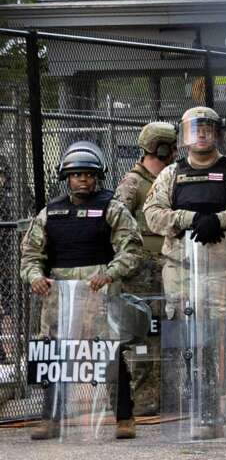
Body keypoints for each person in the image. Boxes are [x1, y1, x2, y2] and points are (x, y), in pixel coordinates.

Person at [144, 106, 226, 439]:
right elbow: (152, 214)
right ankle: (207, 413)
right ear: (185, 135)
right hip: (186, 273)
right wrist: (188, 220)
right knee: (198, 346)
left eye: (208, 128)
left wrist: (222, 220)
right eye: (195, 129)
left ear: (217, 133)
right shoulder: (171, 175)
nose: (201, 134)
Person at [21, 142, 143, 440]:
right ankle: (51, 418)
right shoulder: (50, 212)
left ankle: (124, 418)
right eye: (76, 175)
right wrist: (35, 276)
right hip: (58, 296)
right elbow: (30, 254)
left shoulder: (112, 208)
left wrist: (109, 274)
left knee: (109, 354)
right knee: (53, 356)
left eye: (88, 174)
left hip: (99, 293)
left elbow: (132, 250)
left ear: (97, 176)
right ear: (67, 177)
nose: (83, 180)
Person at [115, 122, 178, 417]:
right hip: (141, 271)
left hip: (166, 266)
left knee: (164, 333)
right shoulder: (133, 183)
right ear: (163, 148)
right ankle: (142, 397)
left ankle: (166, 393)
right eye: (172, 147)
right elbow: (117, 222)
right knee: (140, 334)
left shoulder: (170, 179)